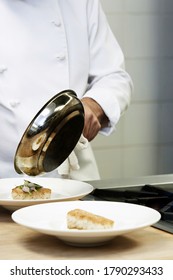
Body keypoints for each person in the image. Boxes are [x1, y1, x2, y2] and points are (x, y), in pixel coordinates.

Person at [0, 0, 133, 180]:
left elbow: (114, 76)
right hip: (4, 177)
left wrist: (93, 106)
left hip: (72, 176)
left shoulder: (80, 3)